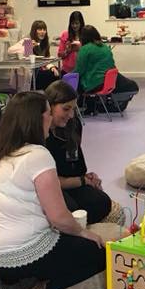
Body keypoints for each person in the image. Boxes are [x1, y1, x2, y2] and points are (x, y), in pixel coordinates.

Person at [0, 92, 107, 289]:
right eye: (48, 113)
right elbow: (59, 218)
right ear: (37, 119)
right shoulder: (38, 155)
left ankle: (14, 281)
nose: (51, 118)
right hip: (22, 255)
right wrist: (85, 233)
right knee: (100, 253)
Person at [44, 80, 112, 224]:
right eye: (66, 109)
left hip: (71, 183)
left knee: (102, 201)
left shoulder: (73, 125)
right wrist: (81, 181)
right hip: (50, 188)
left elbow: (77, 163)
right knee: (71, 209)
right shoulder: (39, 134)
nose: (71, 115)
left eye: (74, 109)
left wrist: (88, 178)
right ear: (50, 106)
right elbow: (47, 182)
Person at [75, 25, 139, 113]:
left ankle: (83, 107)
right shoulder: (105, 47)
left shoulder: (84, 49)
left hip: (94, 84)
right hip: (108, 83)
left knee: (73, 82)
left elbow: (79, 71)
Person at [28, 19, 59, 90]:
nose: (42, 32)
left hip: (41, 67)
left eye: (44, 29)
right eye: (39, 29)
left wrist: (51, 67)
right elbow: (27, 58)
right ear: (34, 31)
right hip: (31, 71)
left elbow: (46, 58)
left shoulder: (45, 42)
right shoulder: (27, 41)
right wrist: (30, 47)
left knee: (56, 71)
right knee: (48, 75)